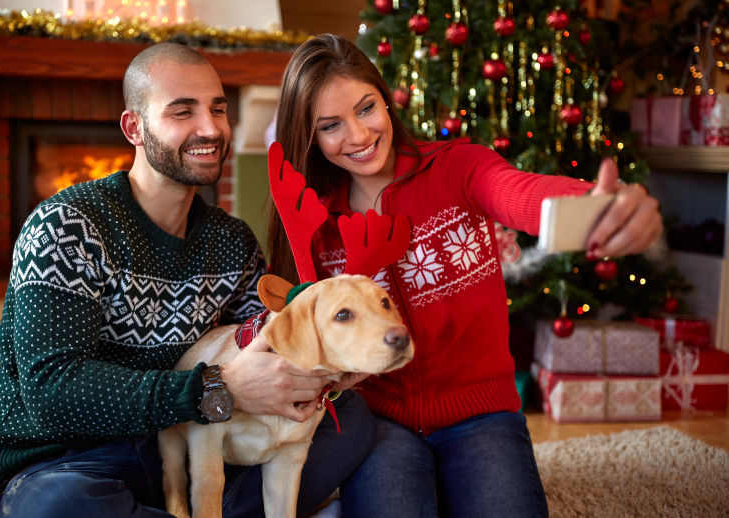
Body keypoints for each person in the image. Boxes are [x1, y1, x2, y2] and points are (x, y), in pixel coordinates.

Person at [267, 34, 663, 518]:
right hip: (376, 421)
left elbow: (520, 192)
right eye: (331, 126)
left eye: (366, 108)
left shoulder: (457, 167)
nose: (358, 134)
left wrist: (598, 209)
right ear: (310, 138)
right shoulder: (311, 219)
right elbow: (287, 323)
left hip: (481, 414)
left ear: (385, 101)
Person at [0, 42, 375, 518]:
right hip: (73, 465)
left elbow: (263, 348)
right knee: (58, 507)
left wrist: (321, 364)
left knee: (349, 418)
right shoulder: (67, 226)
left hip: (195, 452)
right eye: (182, 112)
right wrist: (215, 388)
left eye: (218, 109)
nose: (210, 128)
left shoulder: (231, 242)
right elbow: (53, 391)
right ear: (134, 128)